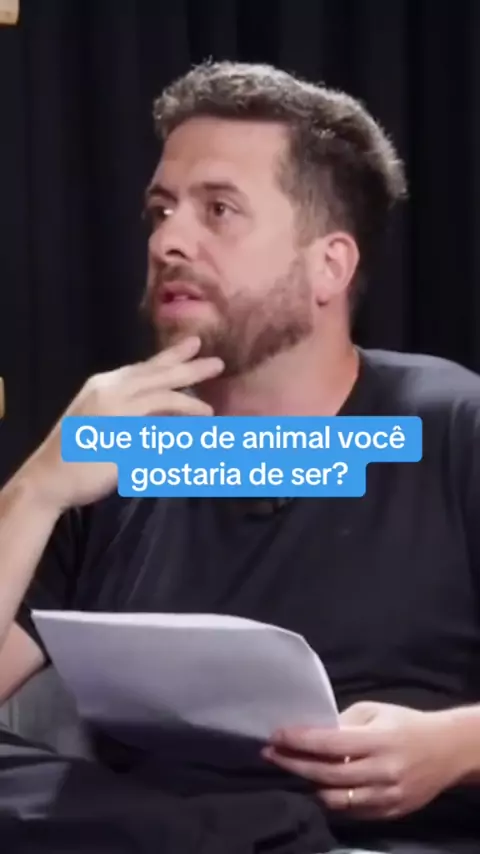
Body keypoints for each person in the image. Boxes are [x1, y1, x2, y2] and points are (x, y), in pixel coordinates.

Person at [0, 59, 480, 854]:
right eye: (160, 211)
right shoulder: (122, 447)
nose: (168, 240)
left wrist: (456, 747)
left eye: (218, 210)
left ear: (330, 265)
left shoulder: (452, 426)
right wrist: (39, 486)